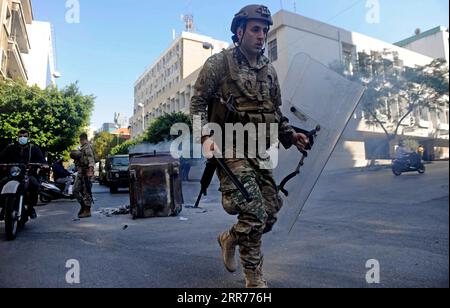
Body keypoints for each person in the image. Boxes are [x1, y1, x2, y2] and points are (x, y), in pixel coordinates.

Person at [190, 4, 309, 288]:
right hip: (229, 149)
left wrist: (291, 135)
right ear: (240, 31)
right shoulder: (218, 64)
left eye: (265, 30)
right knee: (254, 210)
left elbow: (274, 113)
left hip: (259, 151)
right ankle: (254, 279)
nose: (261, 35)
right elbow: (196, 105)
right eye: (256, 29)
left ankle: (230, 237)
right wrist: (205, 137)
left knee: (270, 212)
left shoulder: (269, 72)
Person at [0, 129, 48, 220]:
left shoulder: (33, 149)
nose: (23, 138)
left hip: (28, 174)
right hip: (13, 174)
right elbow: (1, 157)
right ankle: (4, 207)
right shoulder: (10, 148)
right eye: (21, 136)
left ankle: (31, 207)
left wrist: (44, 165)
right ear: (17, 137)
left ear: (28, 138)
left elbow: (42, 160)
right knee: (2, 183)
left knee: (34, 184)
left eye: (25, 136)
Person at [72, 133, 95, 219]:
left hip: (86, 172)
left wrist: (90, 170)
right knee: (75, 190)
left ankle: (87, 210)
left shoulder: (87, 147)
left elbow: (91, 159)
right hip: (81, 172)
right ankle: (83, 206)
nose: (80, 142)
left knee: (87, 191)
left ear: (82, 139)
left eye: (80, 140)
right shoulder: (81, 148)